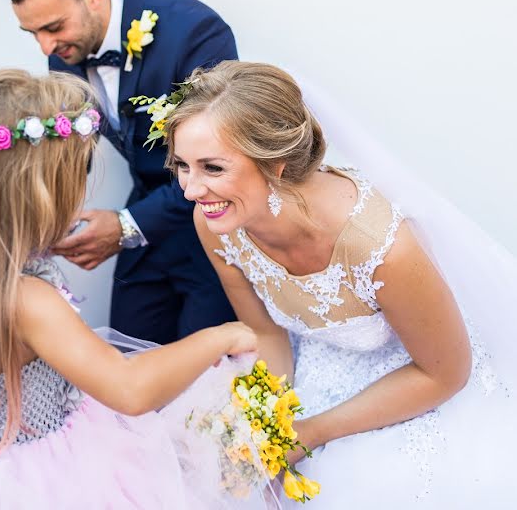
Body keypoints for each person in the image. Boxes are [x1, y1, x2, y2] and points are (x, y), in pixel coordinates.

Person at [0, 69, 264, 510]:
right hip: (40, 480)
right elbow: (129, 388)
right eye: (76, 172)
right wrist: (220, 336)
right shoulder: (26, 297)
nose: (83, 187)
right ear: (37, 191)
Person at [166, 60, 515, 507]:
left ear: (276, 163)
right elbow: (268, 333)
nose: (192, 190)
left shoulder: (381, 247)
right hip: (313, 368)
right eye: (182, 166)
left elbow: (444, 374)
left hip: (415, 379)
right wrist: (267, 424)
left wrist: (309, 433)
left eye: (212, 168)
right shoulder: (216, 222)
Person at [1, 0, 237, 344]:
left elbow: (221, 161)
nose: (45, 48)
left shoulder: (195, 31)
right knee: (127, 358)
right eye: (33, 33)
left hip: (213, 230)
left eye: (53, 27)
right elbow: (73, 151)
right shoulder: (64, 54)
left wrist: (126, 226)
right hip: (145, 224)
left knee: (205, 376)